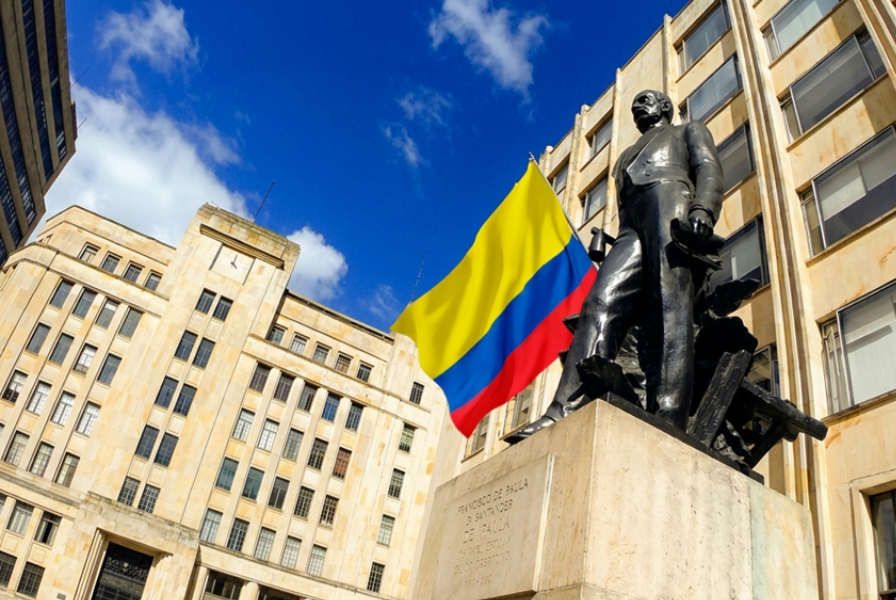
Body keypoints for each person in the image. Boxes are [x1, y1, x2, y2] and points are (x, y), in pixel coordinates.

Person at [508, 89, 724, 442]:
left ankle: (669, 416)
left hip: (670, 199)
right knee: (599, 302)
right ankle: (564, 409)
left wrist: (703, 208)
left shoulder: (688, 130)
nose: (638, 105)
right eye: (635, 102)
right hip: (629, 225)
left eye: (646, 99)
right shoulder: (623, 157)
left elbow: (708, 168)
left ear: (665, 107)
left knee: (670, 303)